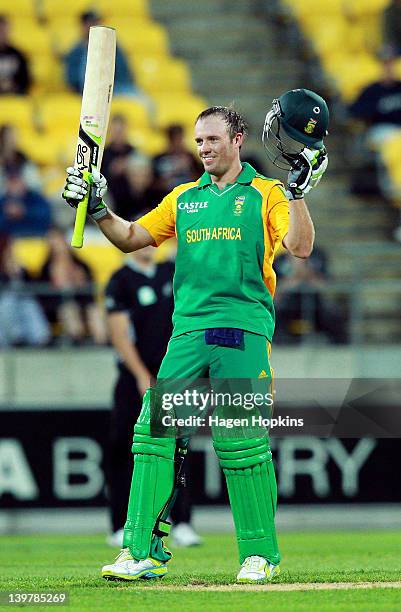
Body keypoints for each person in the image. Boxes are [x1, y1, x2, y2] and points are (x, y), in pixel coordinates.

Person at [62, 90, 329, 584]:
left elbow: (301, 247)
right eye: (199, 140)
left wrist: (297, 192)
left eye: (212, 139)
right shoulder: (184, 198)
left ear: (237, 139)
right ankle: (140, 550)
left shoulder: (267, 193)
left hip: (242, 328)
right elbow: (130, 239)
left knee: (241, 441)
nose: (204, 148)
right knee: (153, 435)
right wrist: (98, 207)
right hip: (186, 332)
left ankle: (259, 555)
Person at [105, 246, 201, 547]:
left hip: (173, 378)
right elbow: (119, 334)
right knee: (124, 448)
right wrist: (140, 376)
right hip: (134, 380)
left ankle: (182, 522)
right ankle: (120, 524)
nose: (150, 244)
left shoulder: (169, 273)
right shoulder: (120, 279)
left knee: (178, 448)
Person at [38, 227, 106, 345]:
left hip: (82, 300)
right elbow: (47, 290)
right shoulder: (46, 268)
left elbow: (88, 283)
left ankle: (101, 343)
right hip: (59, 304)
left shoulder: (80, 264)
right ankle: (78, 342)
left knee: (94, 311)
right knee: (69, 310)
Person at [274, 247, 348, 344]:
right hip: (287, 303)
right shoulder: (279, 259)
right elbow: (275, 289)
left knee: (333, 312)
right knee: (273, 311)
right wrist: (296, 277)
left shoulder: (318, 255)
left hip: (316, 302)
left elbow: (325, 286)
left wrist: (306, 272)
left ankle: (339, 344)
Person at [64, 11, 140, 97]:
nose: (95, 26)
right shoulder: (76, 51)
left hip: (116, 89)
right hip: (87, 94)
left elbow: (124, 74)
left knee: (143, 102)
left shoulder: (113, 46)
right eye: (91, 23)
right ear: (83, 26)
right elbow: (72, 81)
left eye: (97, 23)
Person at [0, 234, 50, 347]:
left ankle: (41, 338)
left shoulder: (20, 268)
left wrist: (19, 273)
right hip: (4, 303)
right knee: (8, 303)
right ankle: (16, 338)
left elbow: (33, 285)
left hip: (22, 300)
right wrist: (7, 274)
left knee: (30, 304)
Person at [102, 115, 152, 220]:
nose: (118, 134)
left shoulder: (133, 152)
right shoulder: (103, 154)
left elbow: (145, 176)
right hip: (111, 197)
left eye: (121, 131)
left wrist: (130, 167)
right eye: (115, 131)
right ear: (110, 131)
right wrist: (113, 170)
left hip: (133, 197)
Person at [151, 124, 202, 200]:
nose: (179, 143)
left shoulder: (190, 157)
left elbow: (199, 179)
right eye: (176, 139)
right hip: (165, 198)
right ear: (169, 140)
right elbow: (153, 184)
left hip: (188, 198)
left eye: (181, 139)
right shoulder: (159, 158)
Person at [0, 170, 51, 237]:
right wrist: (7, 215)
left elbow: (46, 215)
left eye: (16, 182)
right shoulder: (4, 201)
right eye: (11, 183)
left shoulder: (35, 197)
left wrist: (24, 212)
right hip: (12, 239)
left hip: (37, 236)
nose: (15, 187)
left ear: (23, 182)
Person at [0, 124, 42, 196]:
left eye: (14, 136)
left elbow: (35, 181)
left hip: (23, 194)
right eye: (8, 137)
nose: (12, 140)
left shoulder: (23, 157)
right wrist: (7, 186)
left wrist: (23, 184)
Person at [0, 15, 31, 95]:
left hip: (13, 97)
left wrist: (14, 88)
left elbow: (26, 81)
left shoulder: (18, 55)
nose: (2, 34)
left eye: (4, 31)